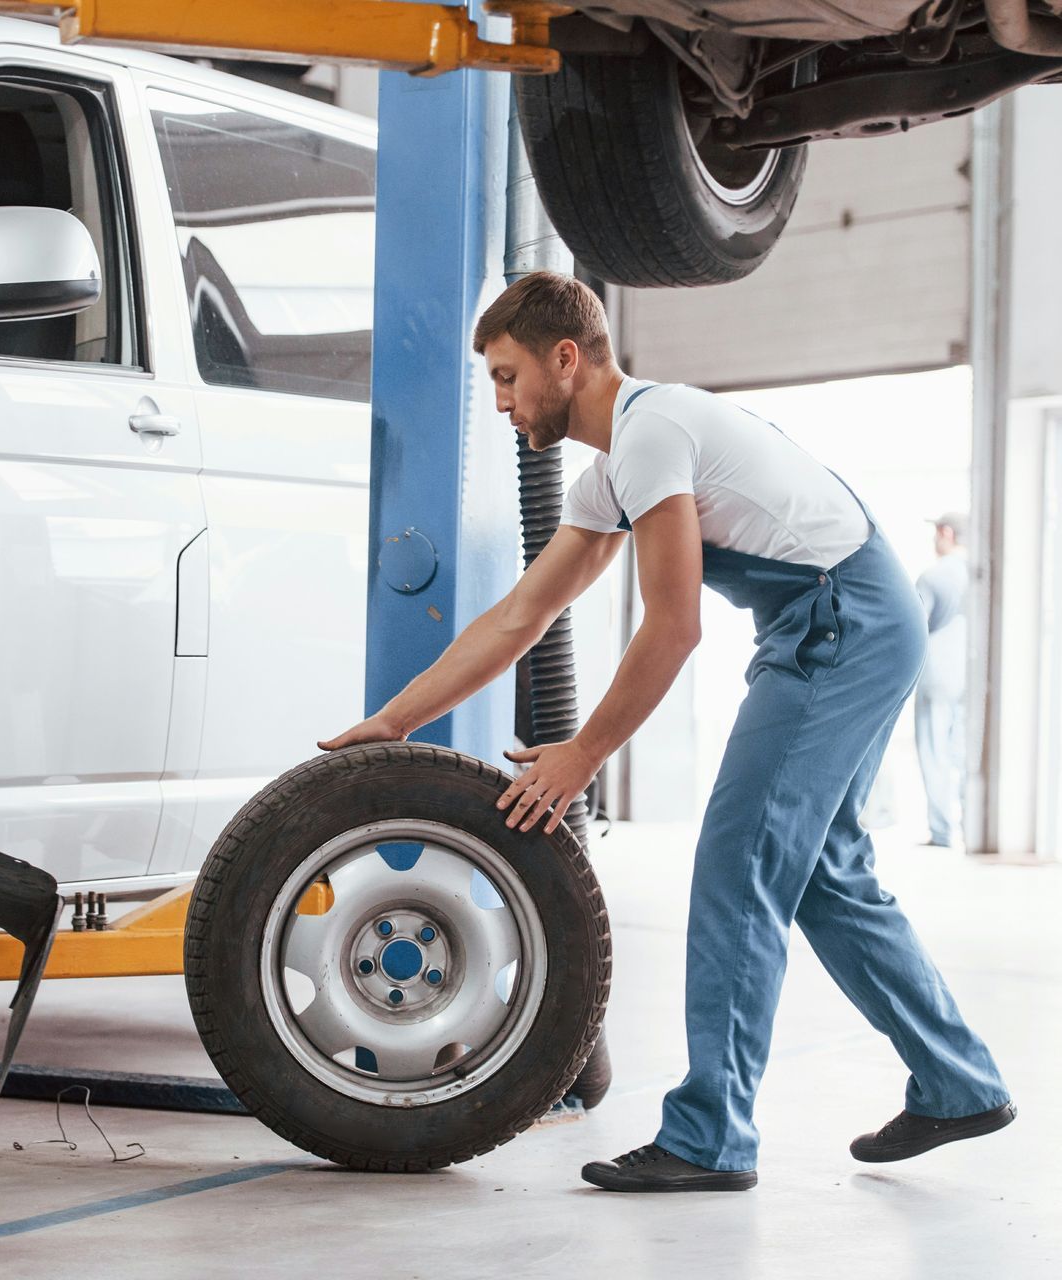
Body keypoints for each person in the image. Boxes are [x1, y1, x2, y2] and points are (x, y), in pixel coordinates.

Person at [319, 273, 1012, 1192]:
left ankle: (711, 1137)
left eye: (506, 375)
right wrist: (394, 722)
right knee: (824, 874)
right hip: (847, 616)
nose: (499, 400)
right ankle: (959, 1082)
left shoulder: (651, 436)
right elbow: (520, 616)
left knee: (739, 864)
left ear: (566, 359)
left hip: (842, 621)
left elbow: (674, 624)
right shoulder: (614, 467)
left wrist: (583, 755)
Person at [915, 514, 969, 847]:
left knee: (933, 751)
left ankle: (941, 831)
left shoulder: (933, 576)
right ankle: (971, 825)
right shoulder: (978, 573)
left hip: (937, 668)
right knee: (962, 751)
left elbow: (915, 627)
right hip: (969, 668)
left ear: (946, 534)